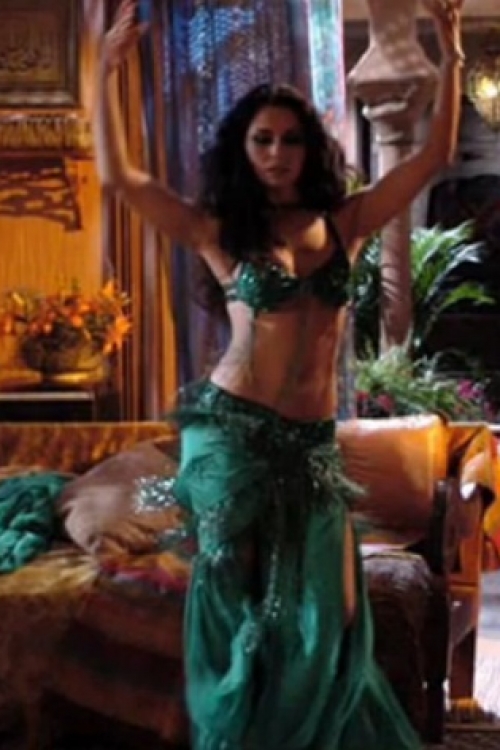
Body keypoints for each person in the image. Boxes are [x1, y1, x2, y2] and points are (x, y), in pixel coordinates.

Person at [92, 0, 464, 747]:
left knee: (334, 612)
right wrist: (102, 74)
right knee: (236, 593)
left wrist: (450, 54)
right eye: (262, 139)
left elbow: (433, 157)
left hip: (309, 445)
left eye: (291, 139)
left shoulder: (346, 223)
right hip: (232, 433)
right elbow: (123, 179)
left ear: (309, 148)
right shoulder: (218, 230)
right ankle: (237, 729)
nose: (277, 152)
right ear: (244, 147)